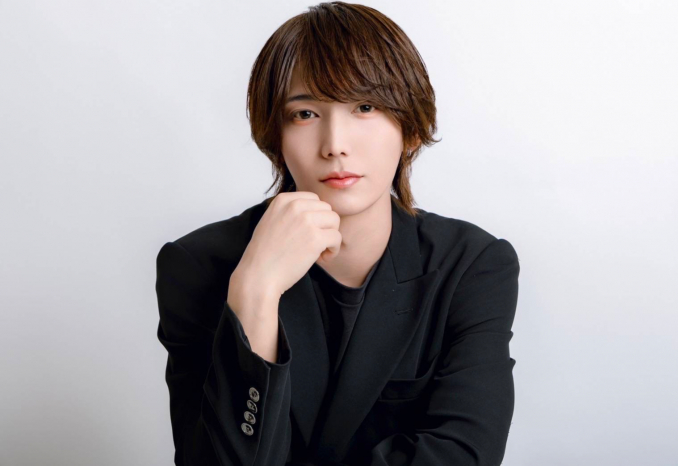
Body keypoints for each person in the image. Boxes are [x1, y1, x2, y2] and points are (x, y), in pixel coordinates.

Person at [155, 2, 520, 465]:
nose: (334, 145)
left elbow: (463, 454)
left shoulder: (471, 266)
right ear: (276, 136)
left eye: (364, 107)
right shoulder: (198, 265)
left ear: (409, 128)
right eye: (305, 114)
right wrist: (256, 290)